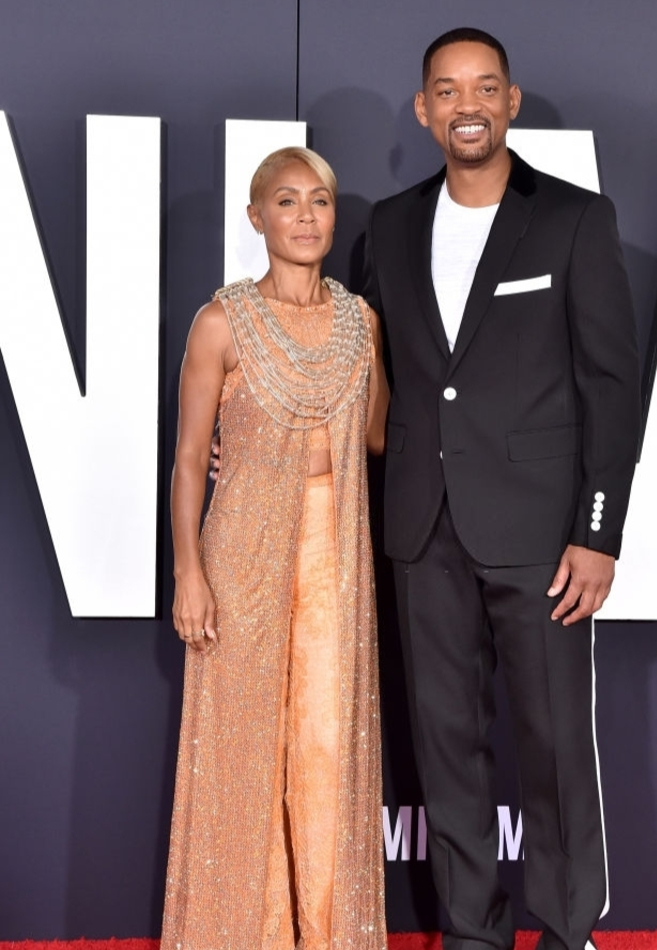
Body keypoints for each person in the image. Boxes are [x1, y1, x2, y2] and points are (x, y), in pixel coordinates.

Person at [362, 28, 641, 950]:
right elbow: (374, 379)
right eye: (447, 90)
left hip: (543, 537)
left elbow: (610, 384)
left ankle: (568, 932)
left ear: (512, 102)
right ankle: (471, 936)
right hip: (421, 530)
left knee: (557, 749)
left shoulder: (572, 219)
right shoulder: (391, 226)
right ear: (424, 109)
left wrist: (598, 530)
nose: (467, 106)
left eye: (485, 88)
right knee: (447, 753)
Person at [161, 147, 389, 950]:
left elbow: (376, 435)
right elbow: (191, 456)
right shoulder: (220, 321)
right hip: (242, 550)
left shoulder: (361, 322)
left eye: (319, 201)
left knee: (326, 747)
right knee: (240, 748)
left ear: (334, 216)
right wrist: (188, 568)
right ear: (256, 217)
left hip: (335, 556)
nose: (305, 216)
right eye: (285, 201)